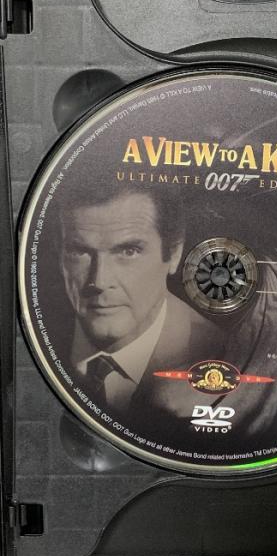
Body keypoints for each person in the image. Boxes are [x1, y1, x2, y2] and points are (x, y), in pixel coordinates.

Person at [58, 180, 224, 421]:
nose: (99, 281)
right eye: (79, 252)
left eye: (128, 251)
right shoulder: (39, 331)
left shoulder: (221, 353)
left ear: (174, 253)